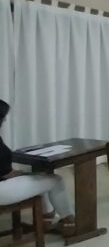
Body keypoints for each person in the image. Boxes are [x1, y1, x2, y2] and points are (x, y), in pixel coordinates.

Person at [0, 99, 76, 236]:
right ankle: (69, 222)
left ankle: (47, 219)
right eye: (3, 117)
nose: (5, 120)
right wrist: (20, 174)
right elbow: (6, 173)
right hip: (2, 191)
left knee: (40, 179)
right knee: (55, 180)